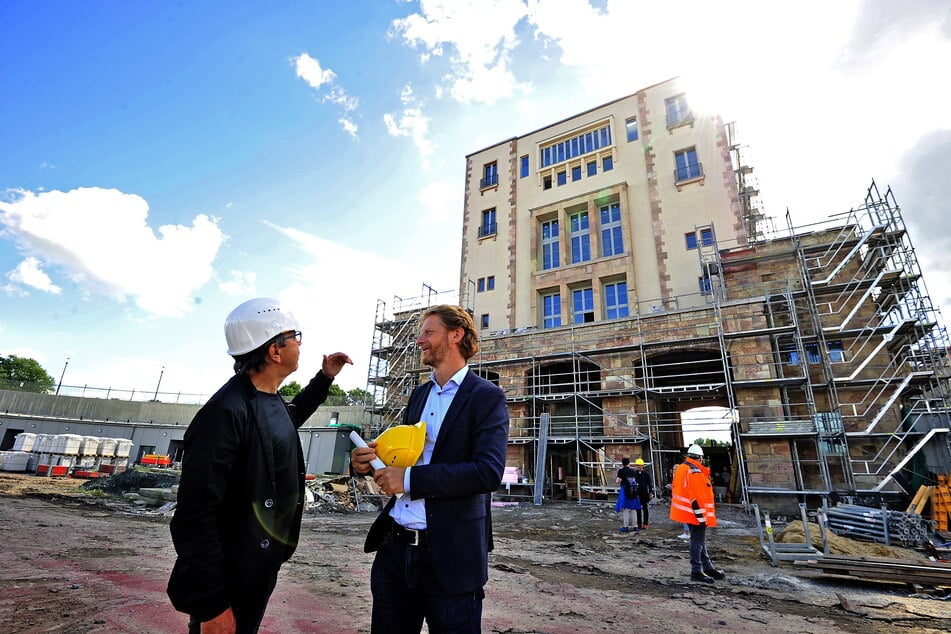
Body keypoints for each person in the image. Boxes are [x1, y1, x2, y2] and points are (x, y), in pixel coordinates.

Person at [167, 297, 352, 633]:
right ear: (274, 352)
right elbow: (195, 516)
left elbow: (286, 421)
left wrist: (325, 378)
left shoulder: (267, 400)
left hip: (257, 565)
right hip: (229, 576)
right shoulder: (225, 413)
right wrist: (212, 607)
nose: (299, 343)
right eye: (294, 336)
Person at [351, 304, 509, 634]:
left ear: (456, 335)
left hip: (451, 556)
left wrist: (408, 479)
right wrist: (369, 465)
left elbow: (487, 472)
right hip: (394, 552)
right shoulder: (419, 395)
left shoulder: (487, 397)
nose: (419, 340)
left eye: (428, 332)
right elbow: (407, 457)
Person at [669, 444, 725, 583]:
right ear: (700, 458)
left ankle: (707, 567)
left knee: (699, 541)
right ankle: (696, 571)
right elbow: (697, 497)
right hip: (695, 513)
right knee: (697, 541)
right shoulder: (694, 472)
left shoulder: (682, 468)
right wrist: (701, 517)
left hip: (687, 512)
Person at [614, 457, 640, 533]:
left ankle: (626, 526)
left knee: (625, 508)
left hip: (625, 491)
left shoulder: (621, 471)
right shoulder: (633, 471)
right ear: (629, 463)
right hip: (634, 491)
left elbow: (618, 481)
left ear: (622, 463)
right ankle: (635, 526)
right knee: (633, 509)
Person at [631, 458, 654, 529]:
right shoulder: (634, 473)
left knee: (645, 509)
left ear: (642, 466)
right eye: (637, 465)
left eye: (640, 465)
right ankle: (639, 523)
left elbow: (649, 484)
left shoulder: (646, 474)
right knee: (638, 509)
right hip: (637, 493)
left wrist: (650, 492)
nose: (638, 467)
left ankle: (645, 523)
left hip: (644, 493)